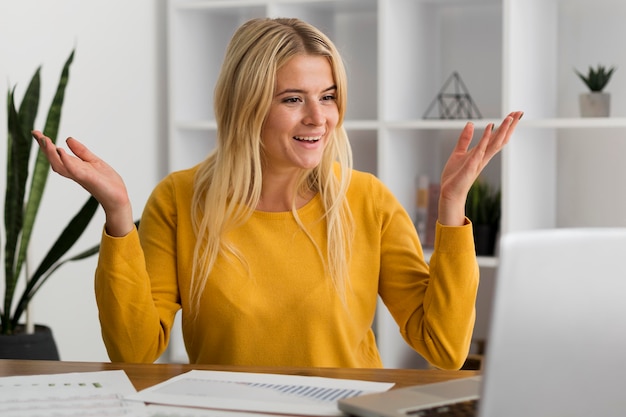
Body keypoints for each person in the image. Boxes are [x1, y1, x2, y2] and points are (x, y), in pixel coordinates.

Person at [33, 17, 522, 370]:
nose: (318, 117)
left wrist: (453, 208)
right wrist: (118, 214)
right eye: (293, 99)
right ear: (246, 106)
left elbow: (445, 347)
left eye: (327, 96)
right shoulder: (179, 200)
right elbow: (134, 353)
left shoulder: (367, 201)